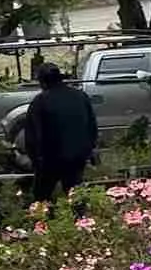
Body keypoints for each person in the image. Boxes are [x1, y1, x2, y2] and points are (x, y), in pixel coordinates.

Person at [15, 59, 99, 201]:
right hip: (77, 157)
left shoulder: (40, 102)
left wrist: (35, 159)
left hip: (50, 159)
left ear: (42, 82)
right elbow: (92, 127)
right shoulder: (80, 96)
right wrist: (89, 151)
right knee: (75, 195)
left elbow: (33, 135)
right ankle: (80, 220)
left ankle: (43, 219)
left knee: (41, 197)